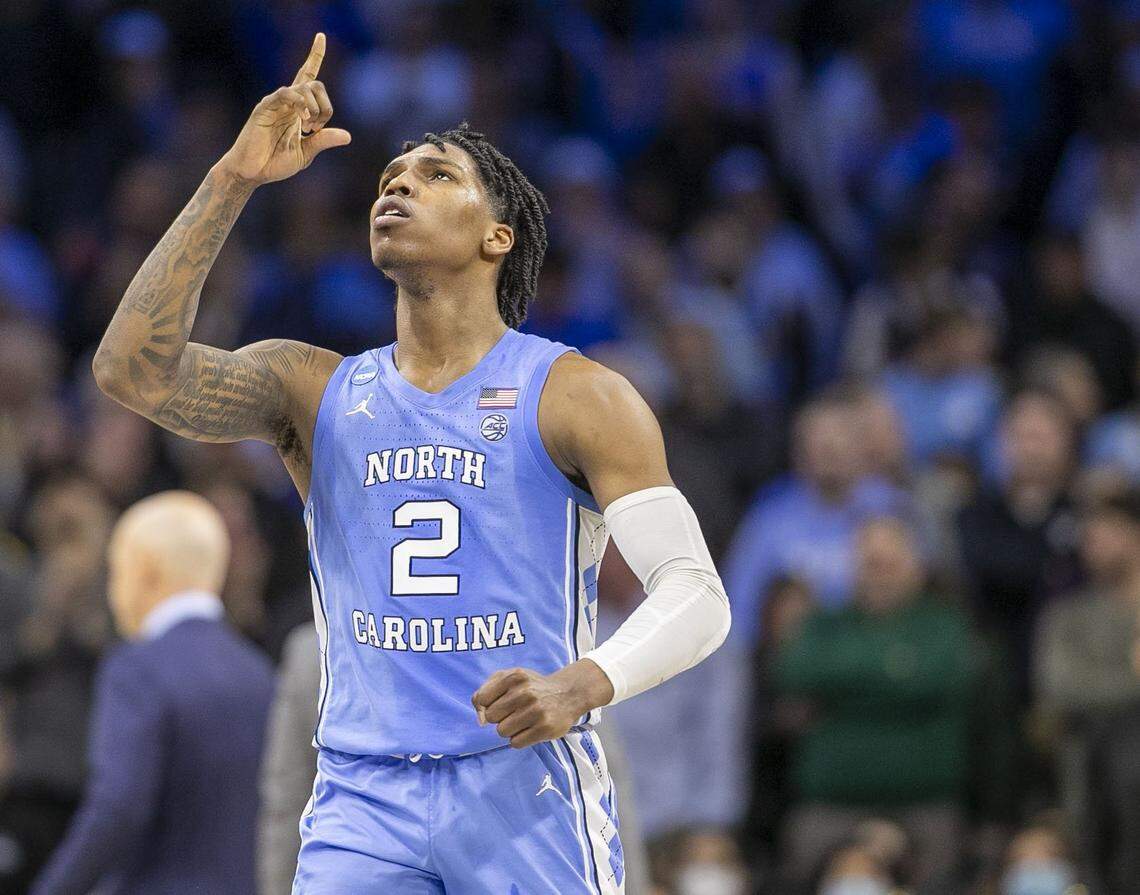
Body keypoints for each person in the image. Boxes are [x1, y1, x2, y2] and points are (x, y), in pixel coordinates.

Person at [91, 34, 731, 894]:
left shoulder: (576, 394)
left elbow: (696, 591)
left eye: (437, 175)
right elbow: (129, 370)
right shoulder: (312, 388)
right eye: (392, 174)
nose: (398, 183)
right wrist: (233, 178)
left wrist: (586, 683)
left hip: (522, 785)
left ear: (498, 235)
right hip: (363, 796)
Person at [30, 490, 274, 894]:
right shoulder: (258, 672)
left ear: (146, 570)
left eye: (116, 570)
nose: (113, 591)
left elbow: (118, 807)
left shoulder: (135, 669)